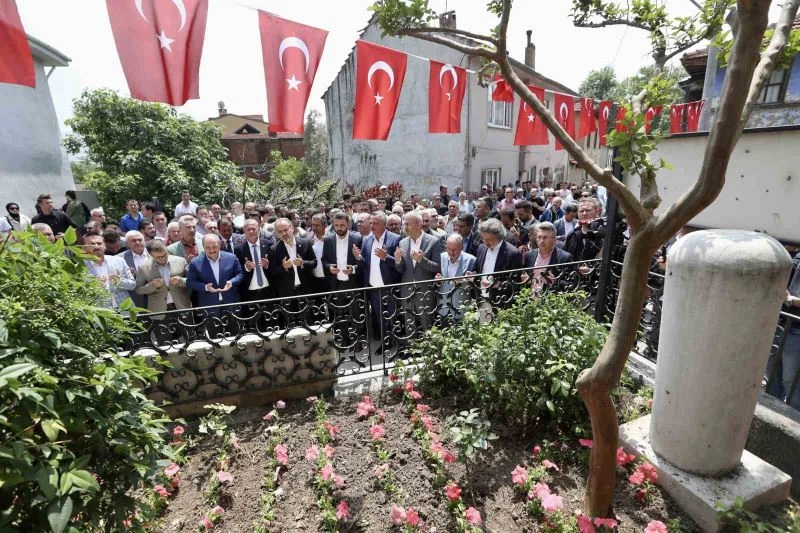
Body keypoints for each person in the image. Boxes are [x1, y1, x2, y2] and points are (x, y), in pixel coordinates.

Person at [354, 212, 401, 350]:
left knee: (393, 317)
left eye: (375, 223)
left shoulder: (396, 239)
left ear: (384, 225)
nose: (372, 226)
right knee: (380, 317)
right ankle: (386, 343)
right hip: (374, 287)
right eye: (371, 223)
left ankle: (398, 344)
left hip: (390, 287)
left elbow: (400, 265)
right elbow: (364, 265)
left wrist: (387, 257)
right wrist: (358, 258)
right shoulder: (368, 240)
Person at [394, 211, 442, 334]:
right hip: (407, 291)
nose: (404, 227)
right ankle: (411, 352)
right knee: (409, 324)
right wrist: (398, 260)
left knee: (427, 324)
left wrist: (421, 260)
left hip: (425, 291)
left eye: (407, 224)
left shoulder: (433, 241)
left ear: (418, 225)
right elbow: (400, 270)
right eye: (404, 224)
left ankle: (429, 351)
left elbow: (438, 267)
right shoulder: (402, 242)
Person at [187, 234, 244, 308]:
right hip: (209, 306)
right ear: (203, 247)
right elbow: (190, 282)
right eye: (208, 247)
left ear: (219, 244)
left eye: (214, 247)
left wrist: (232, 282)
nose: (212, 250)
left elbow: (240, 273)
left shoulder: (231, 257)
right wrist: (206, 287)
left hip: (231, 303)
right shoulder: (195, 262)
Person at [82, 232, 136, 312]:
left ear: (104, 245)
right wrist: (94, 286)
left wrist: (118, 281)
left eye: (99, 243)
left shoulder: (119, 261)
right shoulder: (80, 267)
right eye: (92, 244)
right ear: (84, 248)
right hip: (100, 313)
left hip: (126, 310)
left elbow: (133, 285)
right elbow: (78, 293)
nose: (96, 246)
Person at [135, 239, 191, 314]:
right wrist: (152, 285)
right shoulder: (143, 267)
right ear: (150, 255)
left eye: (165, 254)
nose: (163, 258)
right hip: (158, 311)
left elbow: (192, 281)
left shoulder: (181, 261)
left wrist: (181, 281)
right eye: (159, 257)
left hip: (182, 307)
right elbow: (138, 289)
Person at [267, 217, 317, 298]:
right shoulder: (273, 249)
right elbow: (272, 271)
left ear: (292, 228)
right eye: (280, 232)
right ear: (277, 233)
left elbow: (314, 262)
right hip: (286, 293)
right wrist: (283, 267)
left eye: (286, 230)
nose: (283, 233)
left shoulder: (305, 243)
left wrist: (302, 263)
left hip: (306, 289)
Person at [435, 233, 476, 321]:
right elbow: (437, 276)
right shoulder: (442, 257)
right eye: (448, 248)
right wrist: (438, 279)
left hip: (461, 307)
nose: (451, 252)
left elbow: (474, 284)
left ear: (462, 247)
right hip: (444, 306)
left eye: (454, 250)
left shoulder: (471, 260)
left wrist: (464, 281)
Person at [234, 219, 274, 302]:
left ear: (259, 229)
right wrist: (246, 267)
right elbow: (237, 270)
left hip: (269, 290)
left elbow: (275, 266)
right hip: (250, 293)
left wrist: (267, 265)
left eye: (254, 229)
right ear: (244, 231)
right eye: (248, 229)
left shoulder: (269, 245)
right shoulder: (239, 249)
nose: (251, 231)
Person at [565, 197, 604, 261]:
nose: (584, 213)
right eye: (581, 211)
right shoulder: (573, 235)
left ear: (597, 212)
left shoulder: (604, 234)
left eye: (588, 210)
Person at [118, 230, 149, 308]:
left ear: (144, 240)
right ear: (127, 244)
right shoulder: (120, 258)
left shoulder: (154, 253)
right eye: (133, 241)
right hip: (135, 297)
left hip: (156, 295)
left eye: (140, 240)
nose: (137, 242)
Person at [308, 213, 329, 295]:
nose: (314, 228)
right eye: (312, 225)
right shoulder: (309, 241)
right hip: (315, 280)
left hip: (330, 279)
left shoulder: (331, 239)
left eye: (317, 225)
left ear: (325, 225)